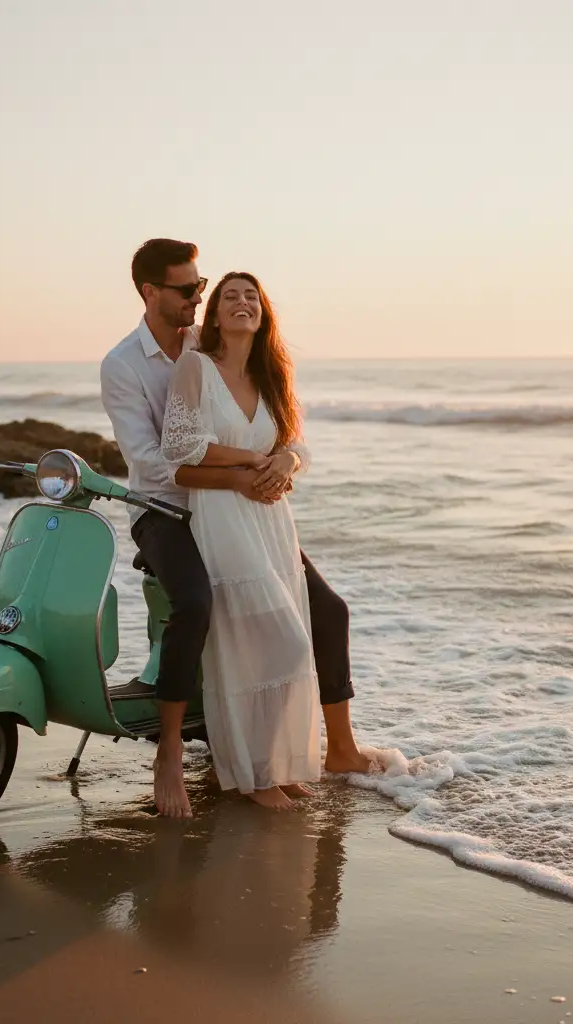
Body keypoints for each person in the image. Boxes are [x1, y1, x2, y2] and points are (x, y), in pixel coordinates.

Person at [100, 239, 371, 818]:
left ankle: (339, 749)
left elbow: (282, 433)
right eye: (187, 289)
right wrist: (247, 473)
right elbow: (155, 461)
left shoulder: (210, 343)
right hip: (165, 510)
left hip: (241, 509)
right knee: (195, 603)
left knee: (328, 610)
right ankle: (169, 752)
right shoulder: (123, 365)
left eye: (202, 287)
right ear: (150, 292)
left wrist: (282, 464)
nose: (199, 298)